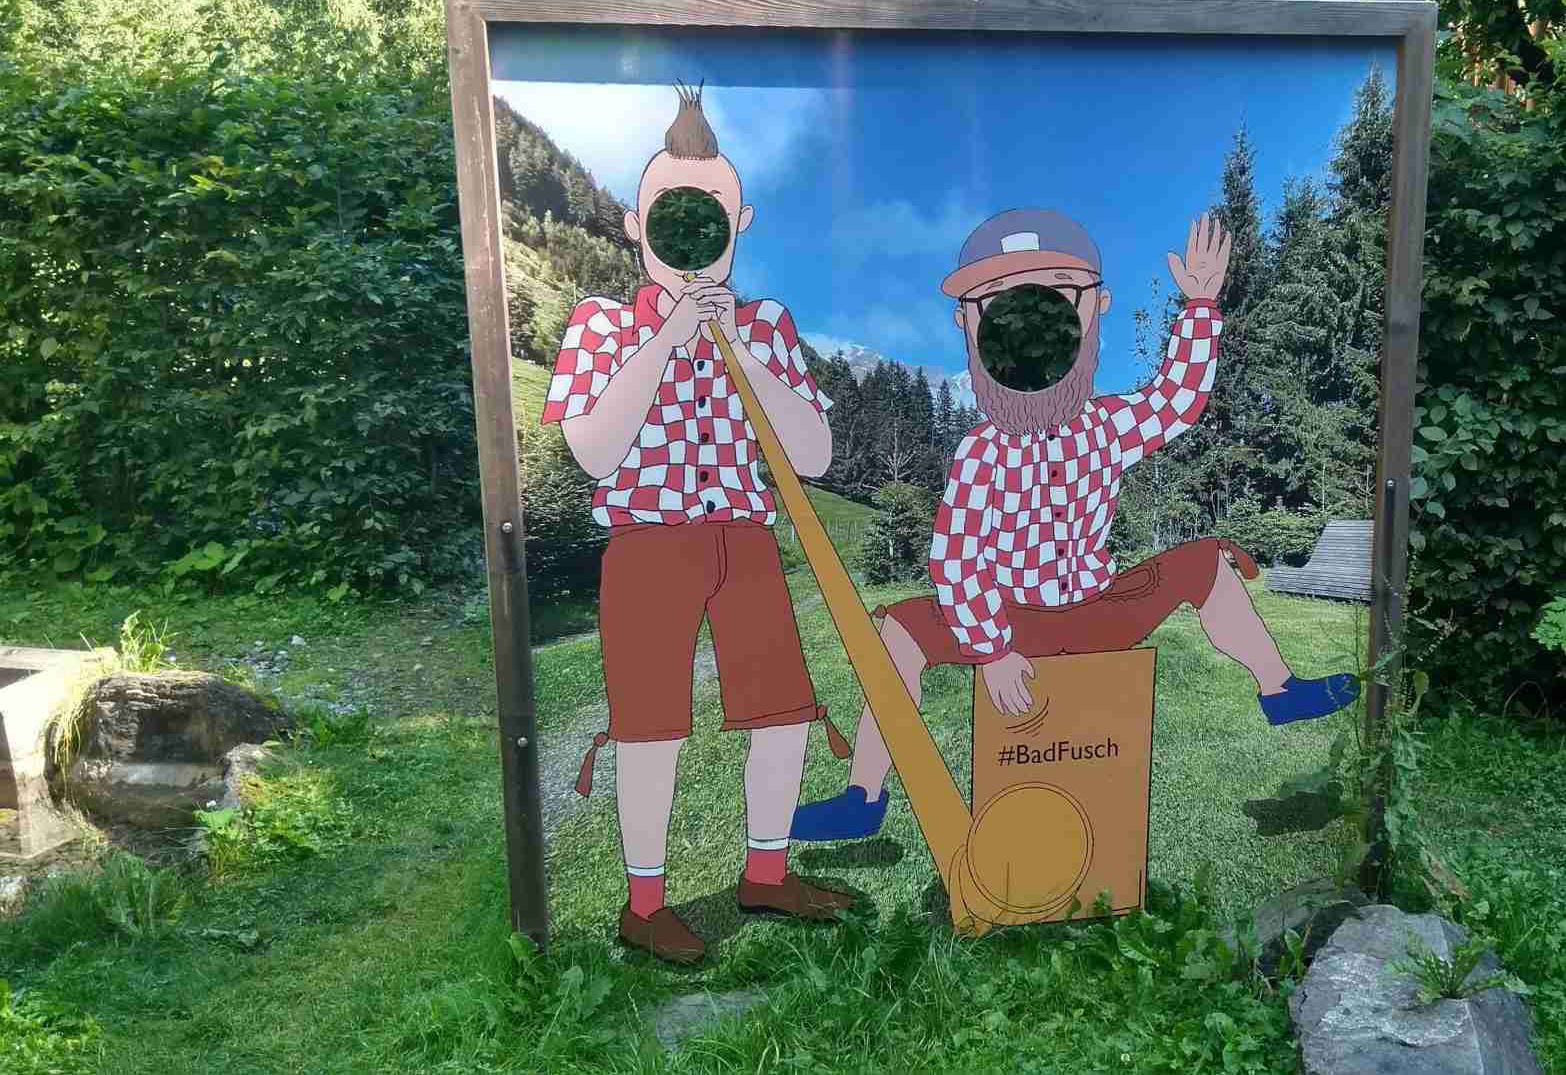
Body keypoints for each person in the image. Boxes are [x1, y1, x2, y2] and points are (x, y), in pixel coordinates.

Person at [792, 208, 1357, 842]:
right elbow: (956, 563)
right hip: (1014, 621)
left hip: (1098, 608)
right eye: (1001, 306)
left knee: (1204, 563)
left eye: (1056, 299)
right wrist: (993, 650)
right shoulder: (981, 453)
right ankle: (865, 796)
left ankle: (1279, 689)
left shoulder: (1108, 427)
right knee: (898, 631)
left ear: (1096, 308)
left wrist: (1201, 307)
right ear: (967, 324)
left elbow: (1177, 401)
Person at [541, 86, 853, 964]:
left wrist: (736, 344)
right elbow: (593, 449)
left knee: (781, 710)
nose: (691, 236)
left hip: (744, 539)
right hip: (647, 544)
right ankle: (645, 904)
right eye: (670, 215)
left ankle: (766, 872)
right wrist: (669, 336)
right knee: (649, 722)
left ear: (737, 223)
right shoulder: (602, 324)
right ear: (635, 226)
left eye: (709, 215)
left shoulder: (767, 325)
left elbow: (814, 453)